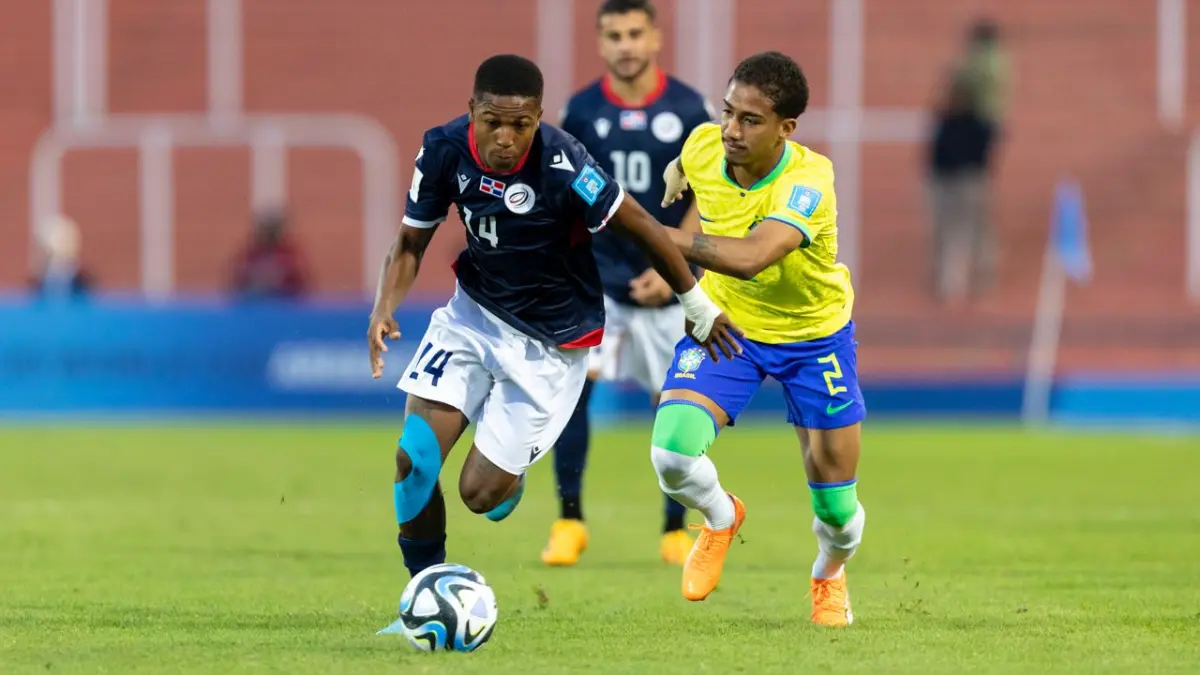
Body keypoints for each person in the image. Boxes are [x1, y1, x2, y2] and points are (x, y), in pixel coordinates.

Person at [367, 55, 740, 626]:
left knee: (479, 496)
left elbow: (641, 225)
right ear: (472, 111)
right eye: (493, 122)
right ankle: (421, 597)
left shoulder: (566, 163)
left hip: (553, 342)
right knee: (413, 457)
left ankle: (507, 478)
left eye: (520, 124)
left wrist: (694, 301)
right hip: (473, 316)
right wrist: (383, 307)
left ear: (539, 118)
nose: (505, 137)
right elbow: (410, 243)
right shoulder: (442, 149)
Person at [653, 52, 866, 627]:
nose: (731, 129)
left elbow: (751, 258)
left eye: (750, 120)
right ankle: (721, 517)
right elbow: (690, 159)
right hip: (731, 328)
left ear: (785, 129)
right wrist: (676, 172)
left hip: (815, 337)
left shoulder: (809, 182)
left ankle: (828, 574)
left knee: (838, 512)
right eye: (727, 112)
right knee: (671, 453)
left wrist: (654, 234)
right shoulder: (706, 144)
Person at [543, 0, 715, 568]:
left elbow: (709, 195)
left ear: (655, 37)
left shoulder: (689, 109)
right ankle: (569, 521)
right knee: (574, 395)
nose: (626, 45)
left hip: (667, 284)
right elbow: (563, 193)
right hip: (598, 284)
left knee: (677, 403)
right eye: (614, 35)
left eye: (635, 33)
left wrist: (675, 269)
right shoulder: (582, 110)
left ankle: (674, 530)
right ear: (600, 42)